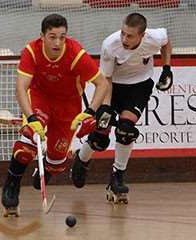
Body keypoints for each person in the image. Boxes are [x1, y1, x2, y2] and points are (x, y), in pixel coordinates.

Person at [1, 13, 111, 216]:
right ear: (42, 36)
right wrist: (31, 118)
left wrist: (89, 112)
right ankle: (11, 187)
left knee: (58, 162)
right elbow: (20, 87)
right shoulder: (32, 51)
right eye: (52, 36)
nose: (58, 42)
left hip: (69, 105)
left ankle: (47, 169)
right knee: (27, 143)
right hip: (40, 98)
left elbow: (102, 83)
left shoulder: (75, 53)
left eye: (62, 36)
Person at [70, 12, 173, 204]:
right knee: (101, 134)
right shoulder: (111, 44)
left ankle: (117, 177)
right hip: (112, 86)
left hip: (139, 86)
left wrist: (167, 68)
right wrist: (106, 107)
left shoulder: (154, 37)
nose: (125, 39)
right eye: (123, 33)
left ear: (142, 36)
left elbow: (166, 42)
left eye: (130, 36)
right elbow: (105, 79)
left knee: (126, 131)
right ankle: (81, 160)